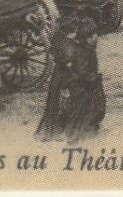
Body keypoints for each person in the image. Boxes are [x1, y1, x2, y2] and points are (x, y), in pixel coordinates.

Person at [35, 14, 105, 142]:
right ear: (72, 30)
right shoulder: (71, 47)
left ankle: (53, 132)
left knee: (55, 106)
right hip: (67, 78)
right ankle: (70, 131)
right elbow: (76, 67)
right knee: (71, 104)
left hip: (58, 78)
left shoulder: (59, 39)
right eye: (75, 31)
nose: (76, 34)